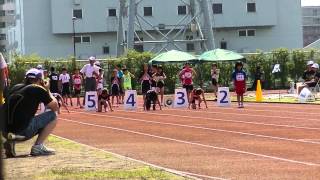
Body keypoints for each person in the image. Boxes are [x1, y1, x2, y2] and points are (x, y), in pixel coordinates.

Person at [3, 68, 59, 157]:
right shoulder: (37, 89)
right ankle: (38, 146)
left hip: (6, 132)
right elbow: (55, 107)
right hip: (23, 132)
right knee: (53, 115)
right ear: (40, 80)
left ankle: (11, 141)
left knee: (29, 117)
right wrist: (47, 90)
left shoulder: (15, 87)